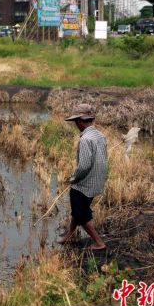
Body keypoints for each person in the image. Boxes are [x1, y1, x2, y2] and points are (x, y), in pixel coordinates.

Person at [58, 104, 108, 250]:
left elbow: (84, 166)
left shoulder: (85, 139)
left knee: (82, 213)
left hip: (86, 183)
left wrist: (74, 179)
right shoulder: (100, 135)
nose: (75, 125)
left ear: (80, 121)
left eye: (75, 122)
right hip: (97, 180)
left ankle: (99, 243)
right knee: (78, 208)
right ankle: (70, 235)